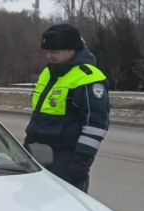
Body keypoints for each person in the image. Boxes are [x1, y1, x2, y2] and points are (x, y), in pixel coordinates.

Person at [25, 24, 110, 192]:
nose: (49, 56)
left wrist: (80, 163)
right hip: (36, 154)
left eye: (54, 52)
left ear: (72, 49)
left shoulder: (88, 78)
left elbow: (95, 126)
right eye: (47, 52)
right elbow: (39, 115)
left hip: (65, 159)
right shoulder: (49, 72)